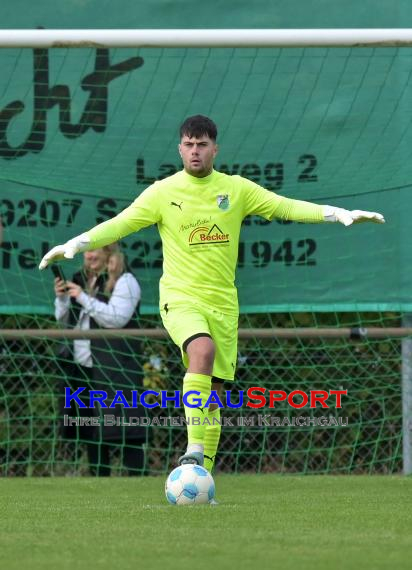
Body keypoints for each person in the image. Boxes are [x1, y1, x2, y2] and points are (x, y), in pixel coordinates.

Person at [41, 114, 385, 479]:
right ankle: (193, 449)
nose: (194, 151)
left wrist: (337, 214)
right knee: (200, 352)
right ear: (179, 148)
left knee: (214, 397)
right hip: (180, 298)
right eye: (188, 144)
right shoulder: (163, 192)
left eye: (201, 144)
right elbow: (119, 223)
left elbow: (285, 206)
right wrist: (75, 244)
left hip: (223, 304)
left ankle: (200, 477)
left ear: (214, 149)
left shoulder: (236, 189)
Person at [54, 246, 146, 475]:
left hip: (117, 369)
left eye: (95, 251)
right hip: (84, 369)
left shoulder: (126, 280)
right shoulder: (81, 279)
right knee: (91, 433)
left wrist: (83, 297)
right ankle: (100, 486)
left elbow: (116, 318)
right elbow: (64, 319)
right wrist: (63, 299)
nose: (89, 256)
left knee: (126, 431)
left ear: (109, 253)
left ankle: (140, 484)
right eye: (86, 252)